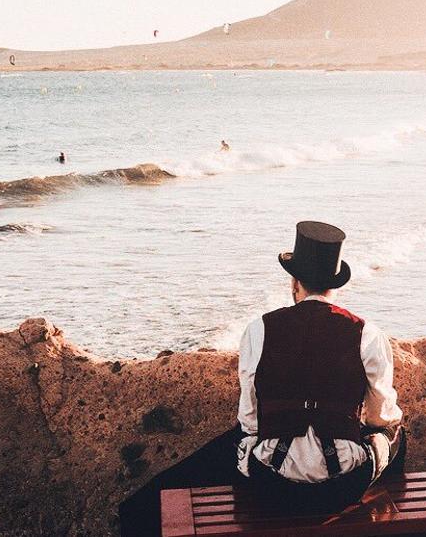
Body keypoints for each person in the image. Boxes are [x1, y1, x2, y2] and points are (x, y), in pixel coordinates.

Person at [118, 221, 405, 536]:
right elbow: (381, 415)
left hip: (271, 487)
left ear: (295, 282)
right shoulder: (367, 333)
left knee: (236, 441)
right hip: (342, 489)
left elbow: (250, 420)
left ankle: (138, 516)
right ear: (334, 286)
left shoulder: (260, 329)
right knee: (393, 435)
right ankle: (384, 523)